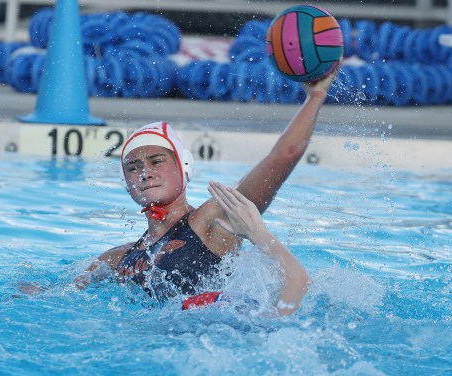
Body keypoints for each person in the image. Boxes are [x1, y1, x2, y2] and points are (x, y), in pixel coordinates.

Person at [70, 67, 338, 315]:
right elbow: (62, 294)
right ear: (126, 182)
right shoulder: (116, 259)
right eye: (133, 166)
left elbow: (284, 155)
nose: (145, 172)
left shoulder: (215, 217)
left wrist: (316, 96)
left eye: (157, 161)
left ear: (184, 167)